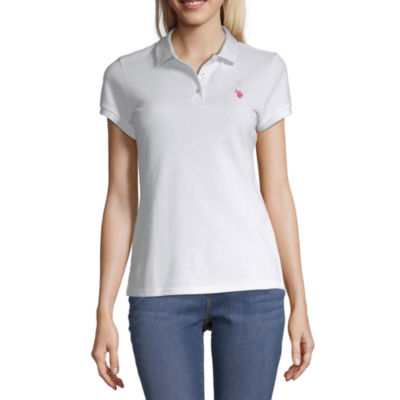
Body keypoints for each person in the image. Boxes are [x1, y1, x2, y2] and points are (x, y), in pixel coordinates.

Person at [91, 0, 314, 398]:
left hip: (252, 289)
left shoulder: (265, 70)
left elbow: (277, 192)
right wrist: (103, 310)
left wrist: (300, 302)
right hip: (160, 291)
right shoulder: (126, 74)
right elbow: (121, 199)